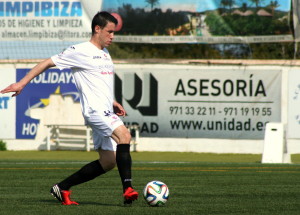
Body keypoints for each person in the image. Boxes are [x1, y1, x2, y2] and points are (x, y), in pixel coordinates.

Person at [0, 11, 138, 206]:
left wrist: (113, 102)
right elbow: (48, 62)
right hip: (95, 111)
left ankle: (62, 187)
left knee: (108, 162)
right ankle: (128, 190)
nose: (112, 36)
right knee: (124, 136)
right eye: (109, 32)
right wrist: (21, 83)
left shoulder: (105, 53)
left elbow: (100, 82)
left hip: (105, 109)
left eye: (114, 33)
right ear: (97, 29)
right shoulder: (80, 50)